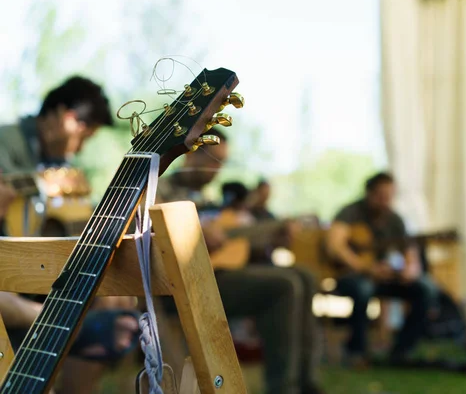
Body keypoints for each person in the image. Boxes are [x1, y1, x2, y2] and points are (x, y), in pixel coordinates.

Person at [156, 128, 325, 394]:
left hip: (214, 274)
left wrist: (272, 239)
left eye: (221, 162)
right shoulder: (161, 187)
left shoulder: (213, 201)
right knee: (284, 285)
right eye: (213, 160)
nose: (217, 169)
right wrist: (194, 233)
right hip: (179, 283)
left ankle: (306, 383)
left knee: (304, 276)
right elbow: (152, 233)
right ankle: (284, 388)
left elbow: (233, 248)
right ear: (190, 156)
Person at [0, 76, 139, 393]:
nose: (82, 145)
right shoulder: (6, 144)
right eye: (84, 136)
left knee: (108, 286)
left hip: (36, 269)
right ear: (66, 118)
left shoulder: (60, 165)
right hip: (12, 272)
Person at [326, 172, 430, 365]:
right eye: (381, 196)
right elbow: (335, 246)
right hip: (350, 275)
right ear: (369, 193)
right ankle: (356, 350)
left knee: (426, 289)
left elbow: (410, 251)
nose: (386, 201)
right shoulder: (351, 213)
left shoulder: (394, 219)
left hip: (382, 277)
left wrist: (410, 269)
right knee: (362, 289)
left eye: (390, 196)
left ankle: (402, 349)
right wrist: (365, 267)